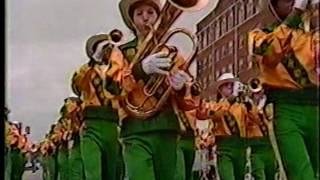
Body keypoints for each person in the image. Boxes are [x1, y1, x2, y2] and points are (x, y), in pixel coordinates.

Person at [118, 0, 200, 179]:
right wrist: (140, 69)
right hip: (135, 127)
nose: (145, 18)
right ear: (132, 21)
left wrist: (181, 88)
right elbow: (112, 87)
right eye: (139, 14)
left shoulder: (172, 53)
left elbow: (190, 102)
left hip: (167, 126)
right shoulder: (122, 53)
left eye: (151, 13)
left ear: (158, 18)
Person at [249, 0, 319, 179]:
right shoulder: (260, 35)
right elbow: (270, 52)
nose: (294, 3)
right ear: (273, 6)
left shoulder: (310, 35)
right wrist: (295, 14)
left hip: (315, 106)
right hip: (285, 109)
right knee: (301, 174)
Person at [71, 32, 126, 180]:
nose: (106, 50)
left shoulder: (117, 71)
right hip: (91, 124)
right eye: (102, 47)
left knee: (112, 172)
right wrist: (94, 60)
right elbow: (77, 84)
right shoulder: (86, 70)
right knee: (93, 171)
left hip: (112, 123)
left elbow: (123, 91)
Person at [197, 73, 248, 180]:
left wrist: (251, 100)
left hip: (240, 146)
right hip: (224, 147)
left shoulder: (241, 107)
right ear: (220, 89)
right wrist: (231, 98)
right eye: (226, 84)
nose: (230, 86)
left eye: (232, 84)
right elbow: (217, 114)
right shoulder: (213, 105)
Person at [245, 86, 277, 180]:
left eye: (259, 93)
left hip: (269, 148)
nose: (257, 96)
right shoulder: (248, 108)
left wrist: (261, 111)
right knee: (259, 176)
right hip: (256, 149)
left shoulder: (268, 106)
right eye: (255, 94)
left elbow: (270, 124)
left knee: (271, 176)